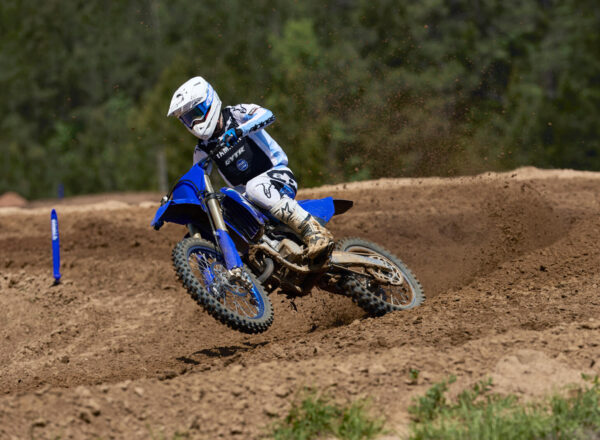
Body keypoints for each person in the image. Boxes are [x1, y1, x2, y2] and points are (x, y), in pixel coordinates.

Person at [167, 76, 333, 258]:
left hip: (279, 176)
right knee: (224, 204)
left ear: (209, 102)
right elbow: (196, 179)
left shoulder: (236, 114)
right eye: (188, 119)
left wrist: (241, 130)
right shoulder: (202, 149)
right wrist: (176, 199)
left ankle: (315, 232)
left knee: (255, 187)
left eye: (195, 114)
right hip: (248, 195)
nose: (194, 123)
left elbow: (267, 115)